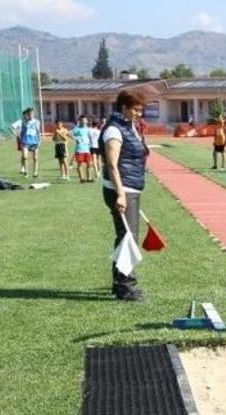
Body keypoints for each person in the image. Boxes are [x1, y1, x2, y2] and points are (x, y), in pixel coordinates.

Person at [100, 90, 150, 301]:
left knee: (125, 237)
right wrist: (120, 194)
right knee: (129, 238)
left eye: (141, 110)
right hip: (122, 190)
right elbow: (112, 164)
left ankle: (119, 282)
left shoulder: (129, 127)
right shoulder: (114, 130)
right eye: (135, 109)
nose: (139, 113)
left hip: (131, 188)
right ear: (123, 108)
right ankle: (125, 286)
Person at [18, 108, 42, 178]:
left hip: (34, 141)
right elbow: (22, 131)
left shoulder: (37, 122)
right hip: (25, 141)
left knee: (35, 158)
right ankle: (26, 172)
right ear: (27, 115)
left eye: (31, 114)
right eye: (29, 114)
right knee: (25, 157)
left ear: (34, 114)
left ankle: (35, 172)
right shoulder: (24, 122)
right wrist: (21, 140)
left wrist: (39, 141)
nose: (30, 115)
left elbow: (38, 132)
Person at [71, 115, 93, 182]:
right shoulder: (76, 129)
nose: (83, 122)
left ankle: (89, 178)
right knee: (80, 163)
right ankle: (82, 178)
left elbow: (90, 137)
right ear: (79, 121)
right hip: (80, 149)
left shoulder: (88, 129)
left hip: (87, 149)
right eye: (82, 120)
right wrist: (75, 138)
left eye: (84, 120)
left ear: (86, 121)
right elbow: (68, 133)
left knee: (89, 163)